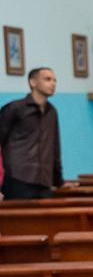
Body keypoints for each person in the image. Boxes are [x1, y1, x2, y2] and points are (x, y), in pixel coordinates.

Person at [0, 68, 63, 199]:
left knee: (48, 219)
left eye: (54, 80)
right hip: (17, 178)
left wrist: (58, 181)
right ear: (33, 82)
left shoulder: (52, 112)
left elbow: (55, 148)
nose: (53, 83)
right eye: (47, 79)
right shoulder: (15, 108)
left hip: (44, 181)